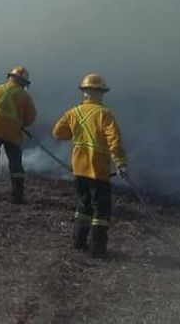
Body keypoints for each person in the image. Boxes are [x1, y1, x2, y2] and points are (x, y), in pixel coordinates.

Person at [52, 73, 127, 258]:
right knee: (100, 211)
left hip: (78, 168)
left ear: (85, 92)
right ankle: (98, 250)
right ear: (98, 92)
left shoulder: (73, 112)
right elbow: (114, 141)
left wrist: (76, 132)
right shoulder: (104, 114)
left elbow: (58, 133)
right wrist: (121, 163)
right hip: (98, 170)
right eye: (101, 91)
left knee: (83, 206)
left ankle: (78, 243)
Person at [0, 66, 37, 203]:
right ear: (23, 82)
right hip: (12, 133)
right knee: (15, 164)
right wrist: (19, 123)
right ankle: (17, 196)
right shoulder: (25, 96)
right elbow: (30, 118)